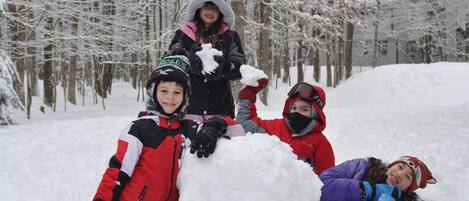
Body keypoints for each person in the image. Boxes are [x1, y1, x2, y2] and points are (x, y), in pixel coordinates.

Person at [93, 55, 239, 201]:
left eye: (177, 92)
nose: (170, 97)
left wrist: (214, 126)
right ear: (153, 92)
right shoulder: (139, 128)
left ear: (186, 96)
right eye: (164, 91)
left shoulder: (190, 128)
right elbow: (117, 172)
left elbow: (239, 130)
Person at [236, 78, 335, 176]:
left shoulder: (320, 143)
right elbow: (245, 124)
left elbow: (327, 182)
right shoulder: (275, 127)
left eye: (304, 109)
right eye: (294, 108)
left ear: (315, 113)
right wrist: (248, 96)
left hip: (299, 191)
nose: (297, 112)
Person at [167, 0, 246, 122]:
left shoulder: (230, 37)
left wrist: (223, 68)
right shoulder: (183, 34)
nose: (210, 12)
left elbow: (240, 67)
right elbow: (169, 59)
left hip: (221, 108)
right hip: (187, 107)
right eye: (206, 7)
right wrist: (188, 59)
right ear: (199, 9)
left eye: (215, 8)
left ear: (221, 13)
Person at [320, 156, 437, 201]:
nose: (400, 174)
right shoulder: (361, 166)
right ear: (390, 166)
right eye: (400, 167)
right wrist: (364, 190)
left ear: (408, 189)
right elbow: (322, 184)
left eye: (408, 177)